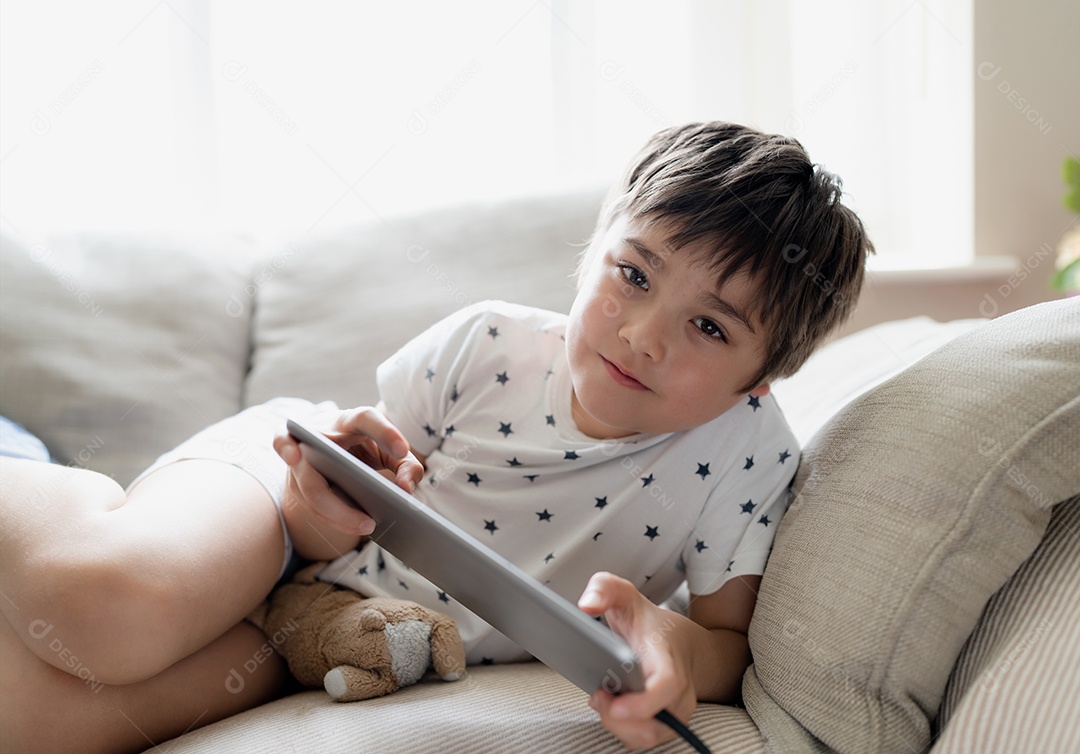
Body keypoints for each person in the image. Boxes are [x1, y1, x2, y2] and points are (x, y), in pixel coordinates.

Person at [0, 121, 871, 753]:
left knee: (35, 720)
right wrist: (318, 501)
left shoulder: (748, 453)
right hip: (266, 502)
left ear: (760, 376)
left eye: (709, 328)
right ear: (594, 249)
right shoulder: (487, 344)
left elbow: (725, 642)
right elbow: (339, 490)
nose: (644, 334)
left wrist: (673, 644)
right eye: (633, 275)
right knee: (106, 609)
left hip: (331, 625)